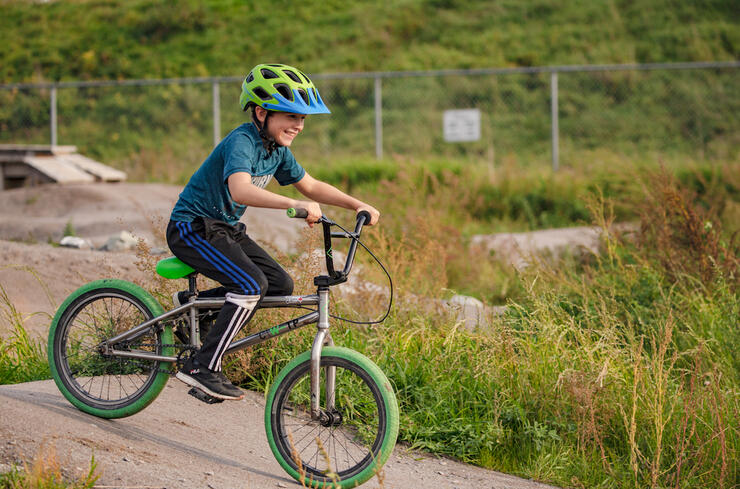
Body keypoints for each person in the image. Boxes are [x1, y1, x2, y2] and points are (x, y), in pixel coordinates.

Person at [166, 63, 379, 401]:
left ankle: (193, 306)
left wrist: (357, 205)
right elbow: (240, 190)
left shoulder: (276, 150)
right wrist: (290, 205)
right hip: (191, 228)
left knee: (280, 284)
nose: (298, 125)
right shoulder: (243, 142)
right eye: (291, 116)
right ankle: (201, 368)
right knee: (251, 284)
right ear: (262, 112)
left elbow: (310, 185)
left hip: (224, 229)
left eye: (303, 119)